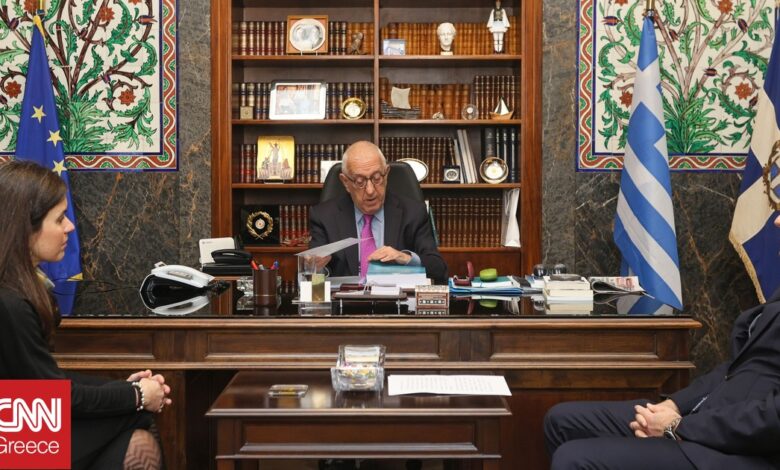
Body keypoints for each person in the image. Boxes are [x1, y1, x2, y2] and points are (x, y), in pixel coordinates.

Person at [544, 214, 780, 469]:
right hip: (707, 416)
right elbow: (734, 370)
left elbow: (771, 419)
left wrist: (677, 427)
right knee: (562, 421)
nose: (777, 221)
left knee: (574, 458)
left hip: (740, 450)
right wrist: (674, 405)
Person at [0, 160, 172, 470]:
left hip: (24, 423)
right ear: (26, 226)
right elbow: (52, 397)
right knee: (139, 415)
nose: (70, 227)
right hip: (13, 444)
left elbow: (45, 378)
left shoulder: (16, 288)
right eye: (59, 218)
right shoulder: (10, 302)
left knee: (137, 440)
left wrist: (127, 389)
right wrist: (136, 396)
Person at [309, 141, 447, 284]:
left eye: (377, 178)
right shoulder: (323, 216)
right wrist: (317, 269)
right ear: (345, 182)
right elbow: (310, 277)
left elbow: (438, 269)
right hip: (345, 297)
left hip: (396, 297)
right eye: (360, 182)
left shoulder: (413, 213)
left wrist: (405, 258)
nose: (370, 191)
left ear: (386, 175)